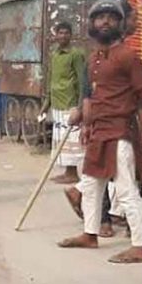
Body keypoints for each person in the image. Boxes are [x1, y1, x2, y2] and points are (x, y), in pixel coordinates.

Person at [58, 0, 142, 264]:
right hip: (99, 130)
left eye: (111, 17)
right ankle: (90, 234)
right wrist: (84, 120)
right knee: (93, 185)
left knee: (126, 189)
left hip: (120, 131)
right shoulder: (93, 59)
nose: (105, 21)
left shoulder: (128, 56)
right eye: (100, 17)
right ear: (92, 25)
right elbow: (93, 97)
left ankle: (140, 247)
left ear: (120, 25)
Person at [40, 22, 86, 184]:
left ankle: (73, 173)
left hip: (70, 103)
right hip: (57, 102)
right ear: (56, 35)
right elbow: (51, 81)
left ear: (71, 35)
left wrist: (80, 106)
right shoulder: (54, 54)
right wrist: (46, 105)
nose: (63, 36)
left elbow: (82, 81)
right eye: (60, 33)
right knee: (61, 140)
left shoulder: (76, 55)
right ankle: (68, 172)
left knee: (71, 141)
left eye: (66, 33)